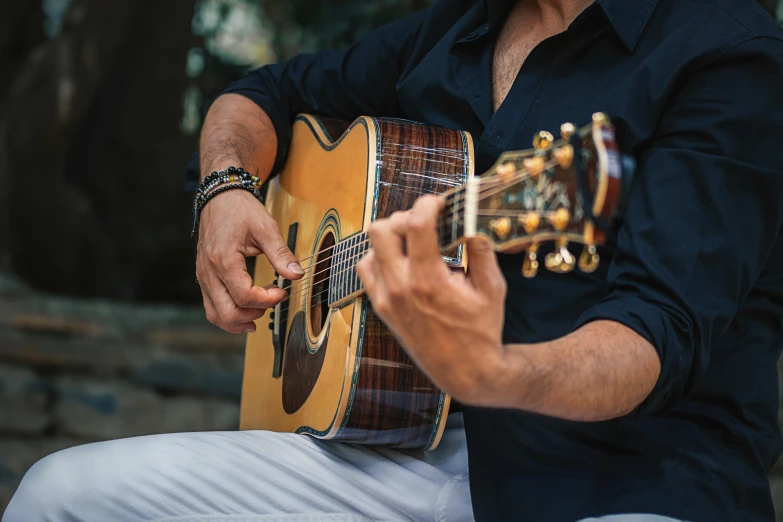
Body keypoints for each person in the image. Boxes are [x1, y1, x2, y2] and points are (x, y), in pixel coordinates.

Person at [6, 0, 783, 521]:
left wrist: (495, 372)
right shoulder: (456, 29)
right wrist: (225, 188)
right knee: (60, 496)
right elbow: (261, 94)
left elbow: (657, 331)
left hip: (629, 482)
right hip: (412, 444)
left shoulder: (723, 54)